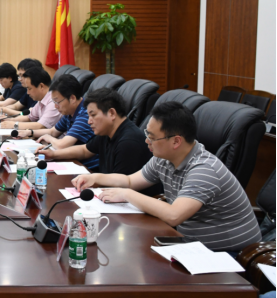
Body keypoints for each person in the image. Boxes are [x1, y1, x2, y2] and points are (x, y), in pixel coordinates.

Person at [72, 102, 262, 253]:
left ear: (176, 141)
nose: (146, 141)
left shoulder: (204, 169)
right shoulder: (164, 159)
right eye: (147, 134)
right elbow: (130, 181)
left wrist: (127, 194)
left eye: (152, 137)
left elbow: (174, 215)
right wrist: (96, 178)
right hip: (190, 243)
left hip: (229, 254)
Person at [38, 88, 161, 195]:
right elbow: (85, 150)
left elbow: (121, 186)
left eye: (93, 115)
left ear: (111, 113)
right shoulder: (107, 132)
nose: (89, 121)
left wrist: (94, 179)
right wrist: (53, 154)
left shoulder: (129, 142)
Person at [29, 74, 99, 170]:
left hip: (87, 168)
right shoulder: (70, 112)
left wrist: (49, 138)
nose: (55, 106)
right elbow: (53, 131)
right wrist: (29, 132)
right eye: (54, 102)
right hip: (73, 163)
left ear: (72, 98)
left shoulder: (85, 114)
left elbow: (61, 145)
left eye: (57, 102)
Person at [0, 67, 61, 132]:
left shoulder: (53, 101)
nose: (27, 93)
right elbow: (29, 118)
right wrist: (9, 120)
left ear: (41, 86)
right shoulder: (41, 100)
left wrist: (14, 125)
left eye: (29, 89)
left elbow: (41, 125)